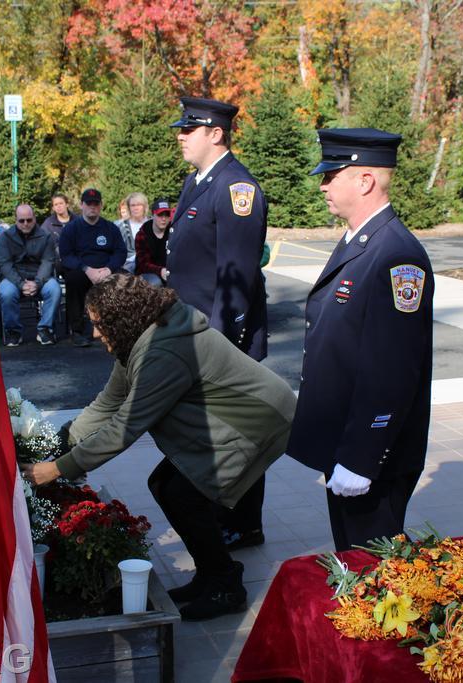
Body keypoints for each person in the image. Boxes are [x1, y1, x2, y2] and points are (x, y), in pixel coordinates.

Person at [20, 274, 296, 621]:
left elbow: (125, 426)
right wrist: (63, 440)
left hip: (255, 419)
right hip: (233, 415)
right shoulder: (139, 337)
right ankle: (211, 575)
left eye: (98, 324)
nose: (94, 333)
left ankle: (226, 585)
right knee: (165, 484)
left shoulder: (162, 350)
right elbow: (108, 403)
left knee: (183, 493)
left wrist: (59, 469)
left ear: (122, 318)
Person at [287, 128, 434, 552]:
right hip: (347, 440)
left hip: (372, 452)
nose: (323, 185)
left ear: (365, 180)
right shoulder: (361, 241)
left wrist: (361, 457)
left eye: (332, 175)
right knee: (357, 563)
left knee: (379, 577)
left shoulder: (396, 255)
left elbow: (392, 369)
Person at [167, 96, 269, 551]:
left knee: (236, 434)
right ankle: (222, 514)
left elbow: (236, 278)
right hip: (197, 333)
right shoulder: (199, 182)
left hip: (222, 339)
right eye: (181, 129)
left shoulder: (236, 189)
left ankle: (243, 523)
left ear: (216, 134)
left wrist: (222, 349)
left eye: (190, 129)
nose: (180, 136)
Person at [58, 188, 126, 347]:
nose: (92, 207)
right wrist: (86, 269)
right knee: (74, 280)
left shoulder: (110, 228)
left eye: (96, 204)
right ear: (82, 205)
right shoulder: (71, 228)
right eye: (89, 204)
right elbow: (66, 255)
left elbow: (120, 252)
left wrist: (108, 269)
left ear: (101, 205)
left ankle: (120, 328)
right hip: (82, 270)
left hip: (106, 269)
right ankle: (77, 331)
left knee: (126, 280)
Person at [0, 203, 61, 346]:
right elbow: (4, 264)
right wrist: (21, 284)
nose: (25, 224)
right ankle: (13, 332)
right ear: (15, 220)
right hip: (15, 278)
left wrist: (37, 283)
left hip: (40, 277)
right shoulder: (6, 237)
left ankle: (45, 329)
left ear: (34, 219)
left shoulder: (46, 236)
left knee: (54, 289)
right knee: (6, 292)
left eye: (29, 220)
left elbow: (48, 262)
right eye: (21, 220)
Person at [135, 197, 171, 287]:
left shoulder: (174, 232)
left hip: (170, 272)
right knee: (155, 282)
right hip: (148, 273)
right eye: (160, 215)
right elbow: (143, 264)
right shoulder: (142, 235)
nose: (163, 219)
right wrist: (160, 270)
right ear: (152, 215)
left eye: (166, 215)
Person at [39, 193, 74, 272]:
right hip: (57, 262)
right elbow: (42, 243)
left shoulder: (78, 221)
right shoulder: (48, 224)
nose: (59, 206)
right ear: (53, 208)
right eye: (56, 204)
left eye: (61, 203)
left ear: (67, 204)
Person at [116, 192, 149, 274]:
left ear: (144, 206)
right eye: (133, 205)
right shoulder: (119, 226)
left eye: (139, 205)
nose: (136, 208)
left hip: (150, 268)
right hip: (126, 269)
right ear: (129, 207)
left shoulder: (152, 223)